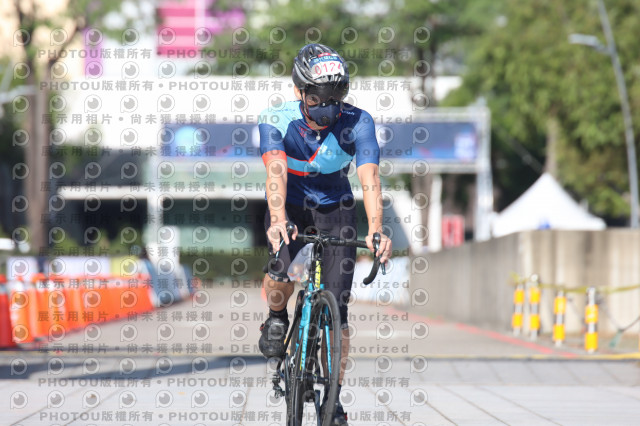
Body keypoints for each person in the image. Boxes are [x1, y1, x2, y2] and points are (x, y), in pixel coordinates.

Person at [257, 43, 392, 425]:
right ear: (299, 91)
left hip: (336, 208)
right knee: (280, 272)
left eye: (336, 97)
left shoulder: (358, 122)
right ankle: (276, 316)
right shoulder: (276, 118)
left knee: (339, 313)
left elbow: (369, 177)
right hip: (291, 205)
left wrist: (377, 229)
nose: (327, 107)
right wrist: (278, 219)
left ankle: (333, 398)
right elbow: (276, 172)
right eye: (316, 98)